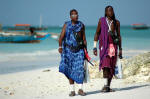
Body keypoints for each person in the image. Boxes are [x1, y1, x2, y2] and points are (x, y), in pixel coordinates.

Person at [93, 5, 122, 92]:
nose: (110, 12)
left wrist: (120, 49)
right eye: (109, 11)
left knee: (111, 67)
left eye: (112, 10)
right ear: (105, 12)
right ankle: (106, 85)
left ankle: (108, 86)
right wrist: (94, 47)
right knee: (105, 65)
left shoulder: (116, 22)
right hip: (103, 46)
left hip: (113, 46)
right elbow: (97, 33)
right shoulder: (101, 21)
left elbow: (119, 36)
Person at [58, 9, 87, 96]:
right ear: (70, 16)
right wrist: (60, 47)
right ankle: (72, 90)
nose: (75, 16)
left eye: (76, 14)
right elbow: (61, 37)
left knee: (80, 69)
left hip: (79, 51)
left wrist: (86, 50)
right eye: (73, 15)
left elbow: (84, 39)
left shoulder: (81, 25)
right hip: (68, 50)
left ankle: (80, 89)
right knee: (69, 69)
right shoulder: (66, 25)